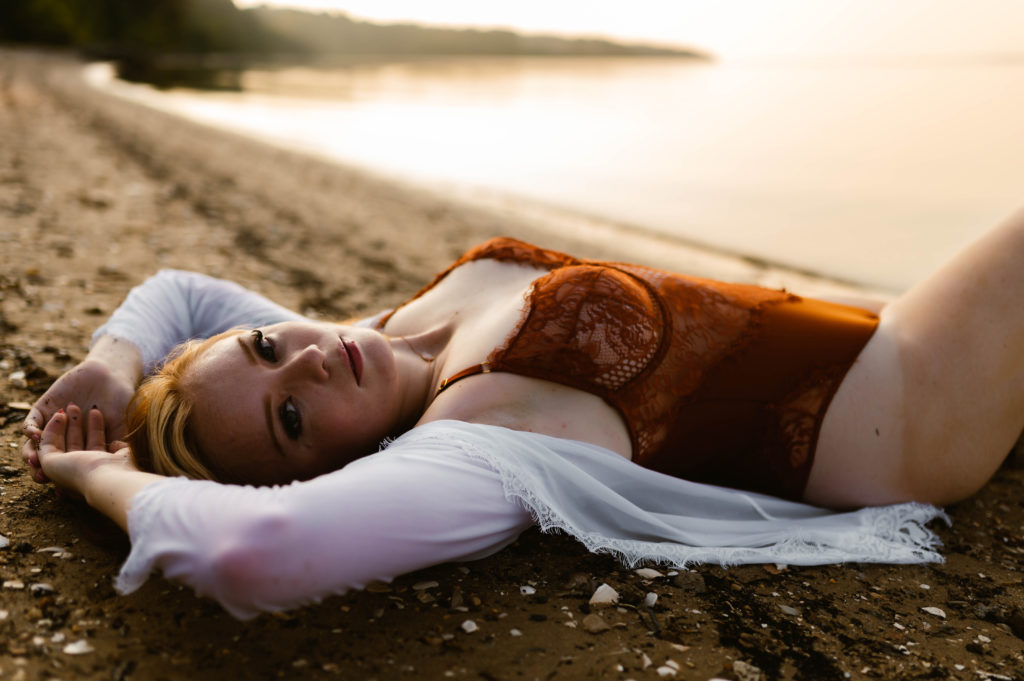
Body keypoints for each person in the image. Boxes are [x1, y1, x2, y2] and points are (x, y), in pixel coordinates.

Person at [20, 208, 1024, 619]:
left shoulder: (376, 333)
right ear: (327, 467)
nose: (313, 361)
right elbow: (255, 551)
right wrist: (94, 473)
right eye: (291, 418)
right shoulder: (479, 446)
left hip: (889, 324)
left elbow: (183, 295)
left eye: (270, 347)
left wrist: (111, 372)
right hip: (923, 395)